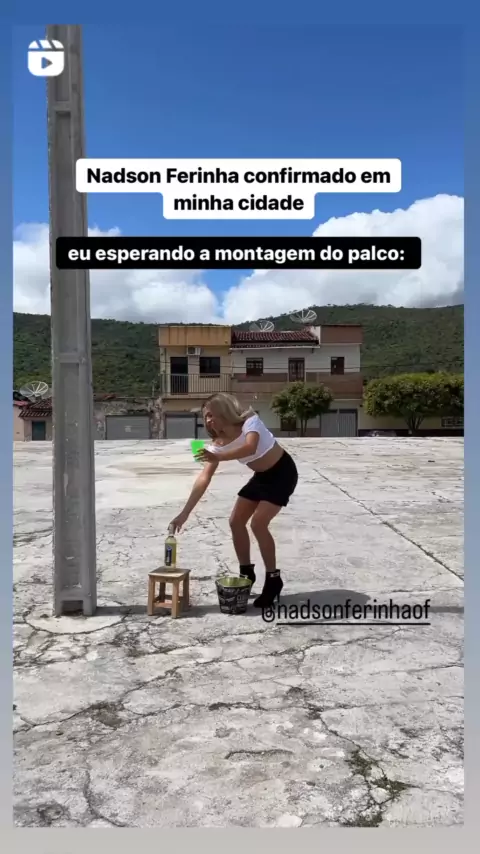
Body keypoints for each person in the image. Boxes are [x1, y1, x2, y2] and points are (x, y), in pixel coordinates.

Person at [169, 392, 298, 608]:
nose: (208, 420)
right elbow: (204, 478)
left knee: (258, 524)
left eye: (211, 414)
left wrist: (218, 456)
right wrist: (184, 514)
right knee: (235, 521)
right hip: (261, 477)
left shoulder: (250, 421)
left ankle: (273, 580)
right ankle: (246, 573)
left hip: (283, 473)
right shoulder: (216, 444)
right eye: (205, 416)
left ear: (224, 411)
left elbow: (250, 447)